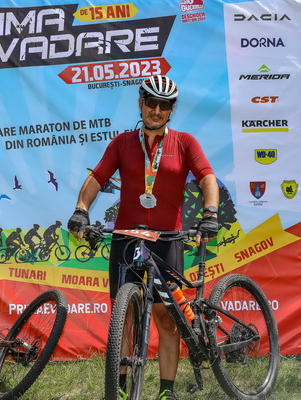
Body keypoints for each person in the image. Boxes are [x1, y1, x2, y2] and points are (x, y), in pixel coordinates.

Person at [67, 75, 219, 400]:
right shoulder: (122, 143)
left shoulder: (185, 142)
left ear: (172, 110)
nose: (157, 110)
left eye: (165, 105)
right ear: (141, 103)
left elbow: (207, 177)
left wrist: (210, 213)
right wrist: (81, 209)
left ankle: (167, 391)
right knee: (124, 316)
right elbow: (97, 177)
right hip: (126, 238)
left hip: (167, 239)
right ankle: (121, 390)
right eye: (151, 103)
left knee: (166, 318)